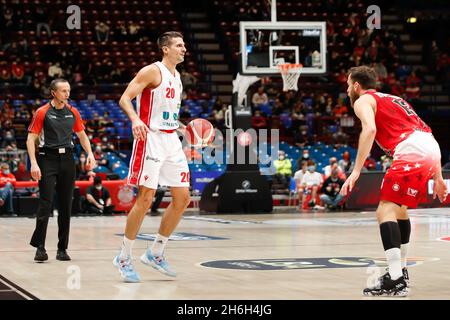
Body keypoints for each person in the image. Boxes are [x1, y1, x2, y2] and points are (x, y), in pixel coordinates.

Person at [340, 66, 448, 297]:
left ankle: (396, 279)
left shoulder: (363, 101)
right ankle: (401, 272)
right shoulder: (393, 98)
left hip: (411, 150)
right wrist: (438, 177)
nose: (348, 89)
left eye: (349, 85)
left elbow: (369, 130)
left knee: (384, 210)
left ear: (357, 86)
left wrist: (356, 171)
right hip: (430, 146)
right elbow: (424, 132)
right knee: (399, 210)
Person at [113, 31, 191, 282]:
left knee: (183, 198)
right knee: (145, 199)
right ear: (165, 49)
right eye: (179, 45)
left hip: (171, 140)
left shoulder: (178, 77)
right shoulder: (151, 71)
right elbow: (125, 98)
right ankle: (124, 256)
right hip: (151, 139)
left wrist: (182, 127)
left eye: (184, 45)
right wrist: (135, 119)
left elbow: (166, 113)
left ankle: (155, 252)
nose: (184, 49)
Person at [27, 78, 96, 263]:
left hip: (67, 159)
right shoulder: (42, 112)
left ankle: (62, 248)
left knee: (66, 206)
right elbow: (30, 139)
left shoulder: (73, 111)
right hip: (46, 159)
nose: (67, 94)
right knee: (46, 204)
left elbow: (82, 135)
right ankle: (39, 247)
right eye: (63, 91)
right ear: (54, 93)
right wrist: (33, 163)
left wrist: (90, 153)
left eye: (68, 90)